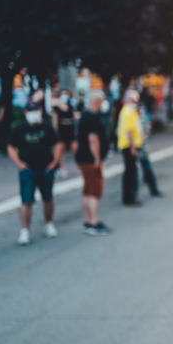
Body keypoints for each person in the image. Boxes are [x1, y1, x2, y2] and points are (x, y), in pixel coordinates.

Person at [7, 103, 63, 245]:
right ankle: (25, 230)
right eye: (30, 111)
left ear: (40, 111)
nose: (33, 113)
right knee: (26, 201)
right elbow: (10, 147)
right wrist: (19, 163)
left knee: (48, 198)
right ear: (26, 112)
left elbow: (58, 144)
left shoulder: (47, 127)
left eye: (35, 110)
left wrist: (54, 162)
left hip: (45, 168)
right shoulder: (19, 128)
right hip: (28, 170)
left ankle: (48, 223)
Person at [75, 91, 111, 236]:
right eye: (101, 101)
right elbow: (93, 140)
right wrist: (98, 159)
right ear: (96, 102)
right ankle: (93, 222)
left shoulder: (85, 115)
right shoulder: (92, 118)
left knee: (87, 190)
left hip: (83, 158)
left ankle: (88, 220)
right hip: (90, 160)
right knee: (94, 191)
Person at [117, 91, 143, 207]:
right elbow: (129, 131)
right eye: (134, 100)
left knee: (131, 171)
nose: (135, 103)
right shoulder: (128, 112)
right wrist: (133, 147)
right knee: (130, 172)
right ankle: (129, 197)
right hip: (128, 146)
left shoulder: (129, 111)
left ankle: (130, 196)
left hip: (129, 146)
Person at [51, 90, 77, 178]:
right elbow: (54, 120)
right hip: (62, 129)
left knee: (75, 147)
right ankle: (60, 168)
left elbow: (75, 117)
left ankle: (80, 165)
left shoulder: (71, 106)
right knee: (60, 150)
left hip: (70, 129)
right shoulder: (57, 108)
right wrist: (55, 132)